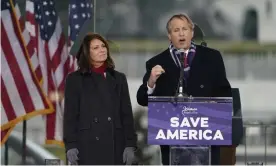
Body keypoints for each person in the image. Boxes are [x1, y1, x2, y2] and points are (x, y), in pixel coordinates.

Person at [136, 13, 233, 165]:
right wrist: (151, 81)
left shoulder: (212, 57)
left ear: (192, 33)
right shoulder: (156, 62)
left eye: (185, 29)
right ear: (169, 35)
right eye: (176, 30)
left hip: (205, 137)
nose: (181, 33)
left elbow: (225, 92)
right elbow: (142, 99)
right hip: (173, 140)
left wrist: (213, 106)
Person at [63, 33, 137, 165]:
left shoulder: (119, 78)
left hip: (116, 145)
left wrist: (130, 144)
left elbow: (126, 114)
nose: (102, 50)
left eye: (103, 46)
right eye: (96, 48)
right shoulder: (75, 79)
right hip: (87, 145)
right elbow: (70, 115)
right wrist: (71, 145)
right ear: (87, 53)